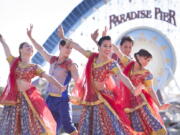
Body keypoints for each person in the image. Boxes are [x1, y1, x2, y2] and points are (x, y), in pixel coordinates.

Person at [58, 26, 144, 135]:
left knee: (110, 128)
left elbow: (122, 76)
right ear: (99, 46)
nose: (108, 49)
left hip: (104, 100)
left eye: (109, 46)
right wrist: (63, 37)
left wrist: (133, 88)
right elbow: (77, 46)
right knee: (87, 128)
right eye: (105, 46)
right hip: (91, 98)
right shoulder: (92, 57)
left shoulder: (111, 63)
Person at [0, 34, 65, 135]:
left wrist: (59, 85)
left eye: (31, 47)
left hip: (27, 101)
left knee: (28, 126)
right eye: (27, 46)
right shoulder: (14, 62)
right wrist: (2, 40)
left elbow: (47, 77)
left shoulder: (34, 67)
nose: (30, 47)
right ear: (20, 50)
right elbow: (7, 51)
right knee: (11, 126)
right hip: (14, 100)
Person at [27, 25, 78, 135]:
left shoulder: (71, 64)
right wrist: (31, 38)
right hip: (50, 99)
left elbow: (78, 80)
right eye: (67, 47)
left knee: (68, 127)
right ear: (60, 47)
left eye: (71, 48)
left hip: (63, 101)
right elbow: (41, 49)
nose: (69, 50)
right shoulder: (52, 60)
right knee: (49, 127)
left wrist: (76, 95)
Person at [122, 49, 171, 135]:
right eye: (145, 59)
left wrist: (159, 105)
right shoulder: (129, 64)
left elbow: (151, 90)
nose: (147, 62)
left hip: (141, 104)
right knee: (135, 131)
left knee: (158, 129)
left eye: (148, 61)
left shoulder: (146, 74)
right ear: (138, 56)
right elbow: (116, 51)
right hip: (128, 106)